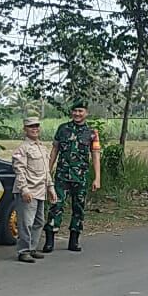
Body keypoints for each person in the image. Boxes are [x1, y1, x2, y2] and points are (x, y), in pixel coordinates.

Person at [44, 102, 101, 252]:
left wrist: (97, 178)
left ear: (86, 113)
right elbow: (54, 150)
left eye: (80, 111)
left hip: (80, 177)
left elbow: (95, 155)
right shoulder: (63, 129)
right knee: (56, 206)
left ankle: (74, 240)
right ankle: (50, 240)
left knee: (79, 208)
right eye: (75, 111)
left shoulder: (92, 133)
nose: (77, 114)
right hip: (62, 176)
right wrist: (47, 172)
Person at [10, 117, 57, 262]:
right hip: (28, 191)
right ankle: (23, 251)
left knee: (38, 222)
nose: (34, 129)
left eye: (36, 126)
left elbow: (46, 171)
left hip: (40, 190)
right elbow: (19, 170)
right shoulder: (23, 148)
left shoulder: (42, 147)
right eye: (31, 127)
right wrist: (24, 189)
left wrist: (51, 188)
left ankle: (32, 248)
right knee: (26, 223)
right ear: (25, 129)